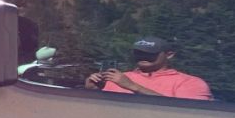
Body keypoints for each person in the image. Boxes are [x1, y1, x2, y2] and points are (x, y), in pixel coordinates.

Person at [84, 36, 212, 100]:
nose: (143, 57)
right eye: (139, 53)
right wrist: (92, 89)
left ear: (169, 55)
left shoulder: (190, 83)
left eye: (150, 54)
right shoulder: (116, 78)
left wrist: (134, 87)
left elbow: (190, 117)